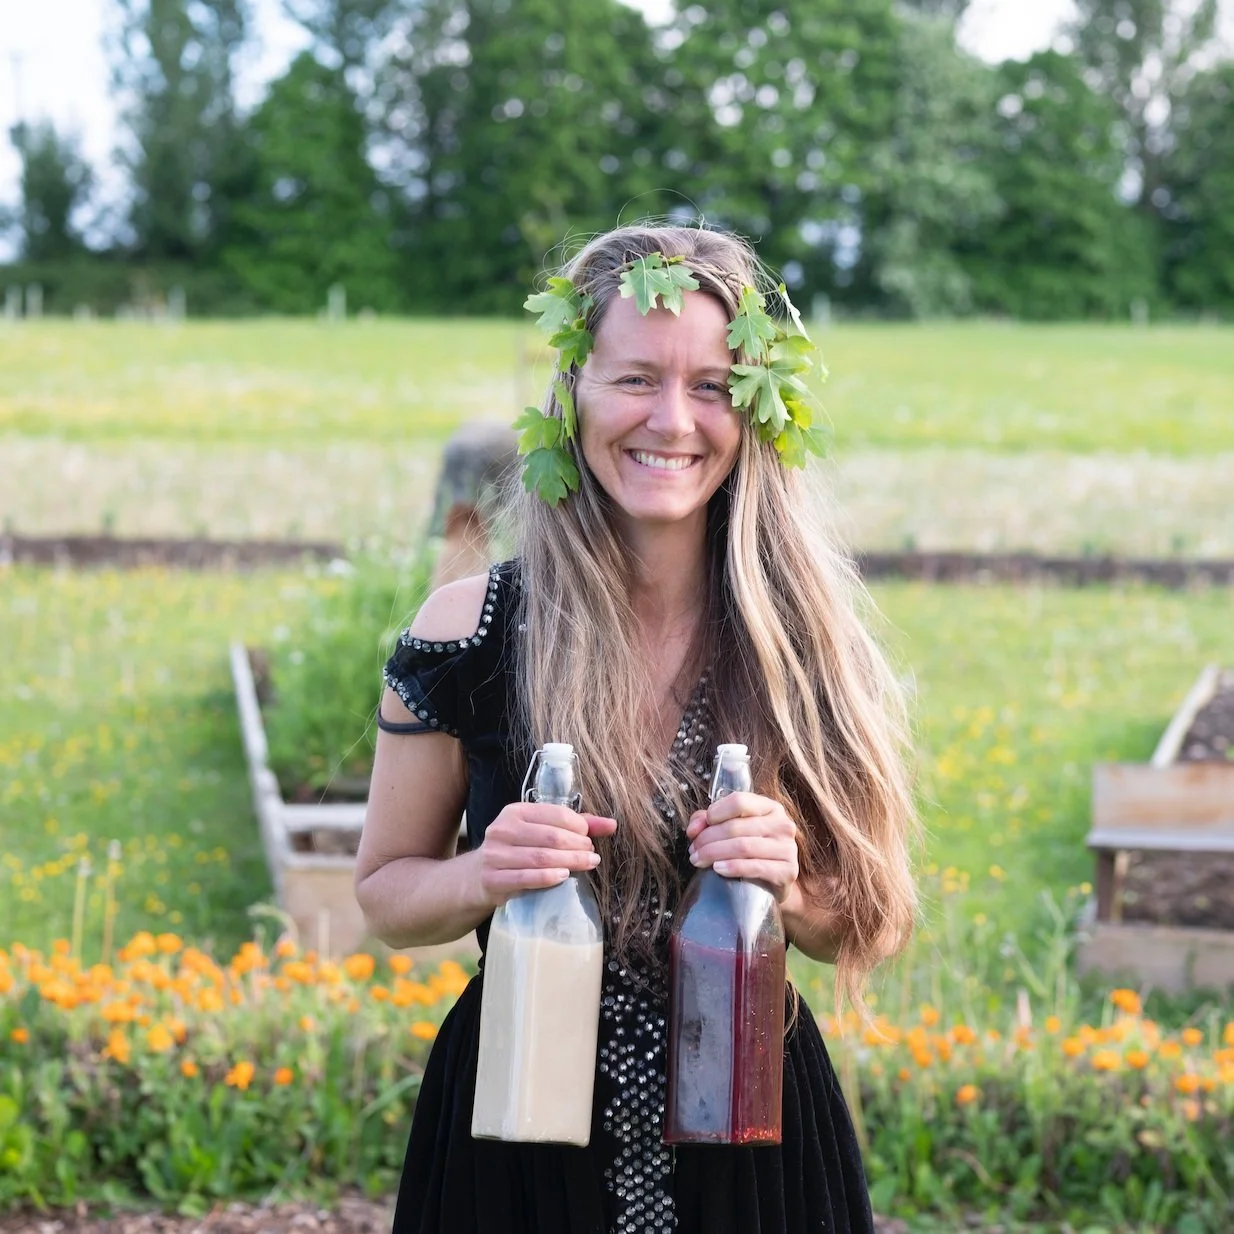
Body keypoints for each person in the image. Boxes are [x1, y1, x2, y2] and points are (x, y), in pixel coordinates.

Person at [355, 223, 918, 1234]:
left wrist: (789, 883)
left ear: (757, 410)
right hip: (514, 1144)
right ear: (571, 392)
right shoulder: (468, 632)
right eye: (634, 379)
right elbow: (387, 895)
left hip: (752, 1148)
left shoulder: (804, 646)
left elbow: (867, 921)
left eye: (710, 384)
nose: (672, 418)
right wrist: (483, 871)